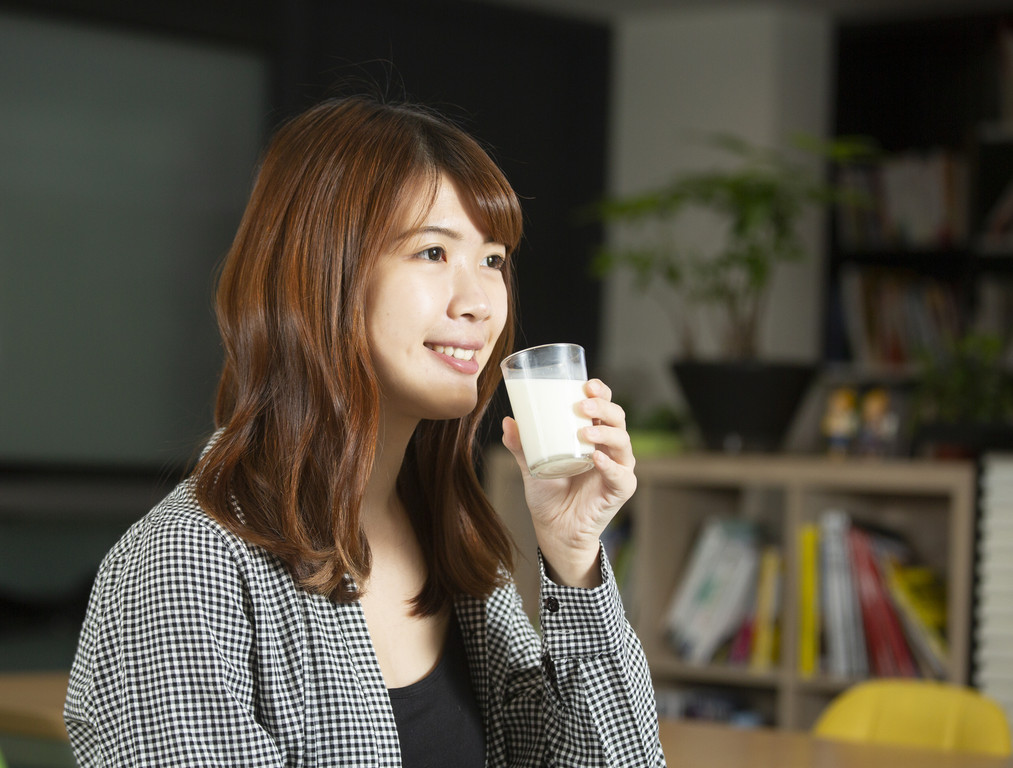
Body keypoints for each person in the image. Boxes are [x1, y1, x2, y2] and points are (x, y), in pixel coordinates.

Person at [64, 95, 666, 767]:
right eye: (433, 252)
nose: (478, 302)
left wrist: (573, 556)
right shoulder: (187, 569)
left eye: (493, 260)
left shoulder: (457, 550)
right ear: (322, 274)